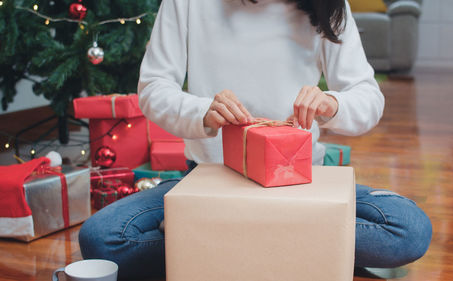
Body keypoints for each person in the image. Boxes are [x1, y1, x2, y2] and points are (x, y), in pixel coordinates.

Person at [79, 0, 432, 279]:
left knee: (410, 230)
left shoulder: (327, 5)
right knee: (103, 238)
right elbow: (154, 88)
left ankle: (215, 240)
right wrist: (202, 111)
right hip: (210, 180)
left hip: (303, 184)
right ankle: (299, 244)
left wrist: (332, 103)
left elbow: (369, 98)